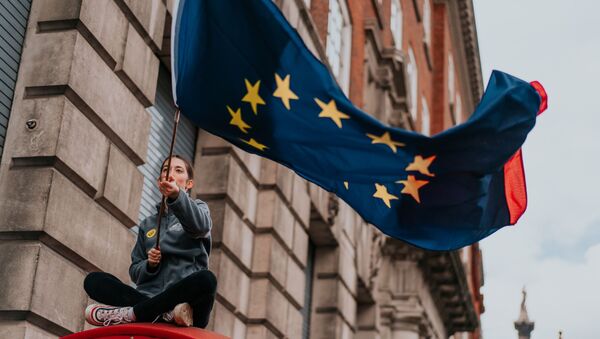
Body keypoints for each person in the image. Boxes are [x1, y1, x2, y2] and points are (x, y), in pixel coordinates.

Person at [83, 155, 216, 328]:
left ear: (189, 183)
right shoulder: (148, 224)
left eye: (178, 170)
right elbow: (135, 270)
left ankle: (133, 313)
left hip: (187, 307)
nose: (171, 174)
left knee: (207, 280)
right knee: (93, 280)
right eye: (166, 170)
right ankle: (162, 314)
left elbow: (200, 228)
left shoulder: (199, 208)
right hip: (156, 301)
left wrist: (176, 197)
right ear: (159, 181)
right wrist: (149, 265)